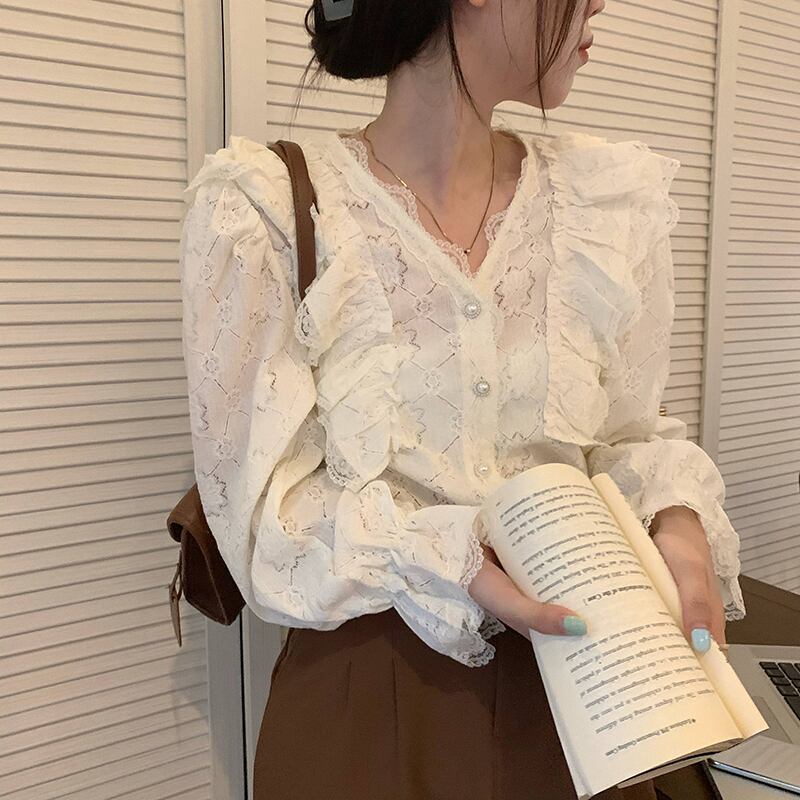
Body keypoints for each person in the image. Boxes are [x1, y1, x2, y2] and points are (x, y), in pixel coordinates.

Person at [178, 0, 746, 797]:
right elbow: (262, 515)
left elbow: (626, 436)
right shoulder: (269, 208)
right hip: (370, 702)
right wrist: (443, 555)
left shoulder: (604, 203)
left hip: (590, 699)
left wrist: (674, 517)